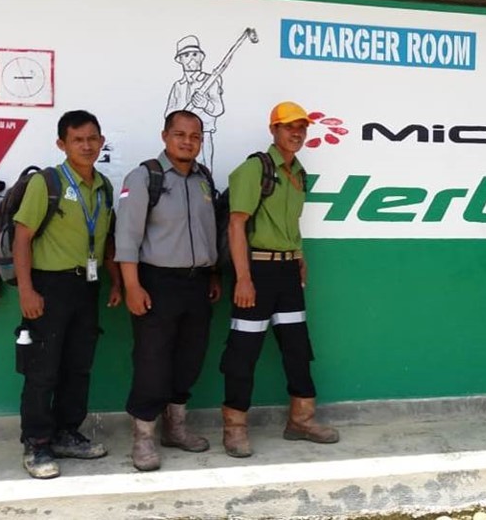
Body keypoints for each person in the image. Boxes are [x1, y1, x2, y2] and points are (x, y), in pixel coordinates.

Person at [218, 101, 339, 458]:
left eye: (301, 127)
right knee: (243, 352)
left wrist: (299, 257)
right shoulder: (255, 169)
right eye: (289, 127)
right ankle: (234, 428)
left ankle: (301, 421)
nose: (296, 133)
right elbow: (236, 224)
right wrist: (243, 278)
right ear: (273, 130)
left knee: (297, 348)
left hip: (287, 273)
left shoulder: (298, 173)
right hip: (256, 272)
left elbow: (291, 223)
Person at [12, 110, 122, 479]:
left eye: (92, 139)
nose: (86, 146)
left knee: (78, 366)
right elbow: (22, 238)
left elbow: (106, 242)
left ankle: (66, 433)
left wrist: (116, 282)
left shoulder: (104, 187)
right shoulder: (47, 183)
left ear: (101, 141)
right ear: (62, 144)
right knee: (43, 369)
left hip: (87, 287)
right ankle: (37, 443)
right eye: (77, 140)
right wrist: (27, 290)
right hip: (49, 286)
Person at [114, 110, 222, 471]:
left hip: (197, 283)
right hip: (156, 283)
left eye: (194, 136)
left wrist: (214, 275)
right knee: (152, 361)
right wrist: (132, 286)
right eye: (180, 134)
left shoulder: (204, 179)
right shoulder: (145, 177)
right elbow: (126, 238)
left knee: (190, 357)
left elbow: (209, 233)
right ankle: (143, 436)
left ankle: (175, 429)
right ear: (165, 136)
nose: (187, 141)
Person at [166, 35, 224, 168]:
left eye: (194, 54)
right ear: (180, 60)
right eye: (186, 55)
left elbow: (218, 108)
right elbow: (168, 113)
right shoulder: (178, 86)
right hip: (179, 137)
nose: (191, 59)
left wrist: (205, 104)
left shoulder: (211, 81)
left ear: (201, 57)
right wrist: (182, 115)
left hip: (203, 136)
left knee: (204, 171)